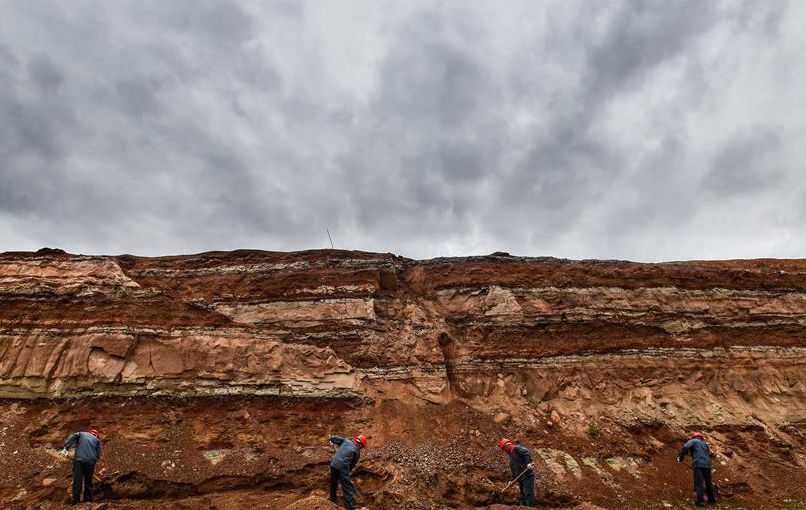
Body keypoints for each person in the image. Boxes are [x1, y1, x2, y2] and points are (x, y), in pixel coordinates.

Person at [61, 428, 102, 505]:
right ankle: (88, 500)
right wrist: (93, 461)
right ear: (97, 436)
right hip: (90, 462)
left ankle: (76, 501)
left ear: (90, 433)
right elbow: (98, 454)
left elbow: (72, 437)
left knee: (77, 480)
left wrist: (66, 448)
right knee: (88, 481)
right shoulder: (97, 441)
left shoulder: (82, 434)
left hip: (79, 460)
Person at [677, 432, 717, 507]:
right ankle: (712, 501)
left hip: (698, 464)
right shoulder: (705, 444)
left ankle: (701, 502)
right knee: (708, 483)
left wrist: (680, 456)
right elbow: (709, 454)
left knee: (699, 483)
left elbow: (685, 447)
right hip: (708, 465)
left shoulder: (693, 441)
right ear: (701, 438)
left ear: (694, 437)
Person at [329, 434, 367, 510]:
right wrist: (344, 475)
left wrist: (332, 439)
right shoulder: (357, 452)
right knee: (347, 488)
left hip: (333, 464)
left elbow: (335, 438)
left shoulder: (346, 441)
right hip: (343, 467)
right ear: (361, 445)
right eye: (362, 447)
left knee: (333, 484)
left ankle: (332, 501)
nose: (361, 448)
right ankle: (349, 507)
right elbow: (351, 466)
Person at [498, 438, 536, 507]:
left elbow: (526, 453)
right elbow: (514, 470)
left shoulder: (517, 448)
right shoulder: (510, 456)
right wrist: (511, 480)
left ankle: (530, 508)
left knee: (528, 494)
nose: (504, 451)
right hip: (521, 478)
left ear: (507, 445)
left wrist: (529, 463)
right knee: (523, 495)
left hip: (527, 475)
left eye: (504, 449)